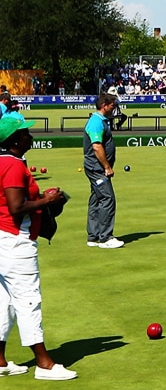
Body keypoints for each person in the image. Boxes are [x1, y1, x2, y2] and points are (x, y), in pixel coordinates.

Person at [0, 116, 78, 380]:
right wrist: (46, 200)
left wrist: (43, 198)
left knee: (5, 303)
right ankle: (44, 364)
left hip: (4, 240)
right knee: (28, 300)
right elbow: (16, 207)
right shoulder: (12, 165)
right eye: (25, 133)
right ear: (14, 140)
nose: (30, 137)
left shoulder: (5, 161)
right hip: (15, 241)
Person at [83, 93, 123, 249]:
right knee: (108, 198)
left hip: (96, 167)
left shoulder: (102, 121)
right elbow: (97, 146)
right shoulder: (96, 123)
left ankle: (93, 236)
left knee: (96, 199)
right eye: (113, 106)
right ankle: (105, 238)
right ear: (104, 105)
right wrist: (107, 167)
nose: (115, 108)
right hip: (97, 168)